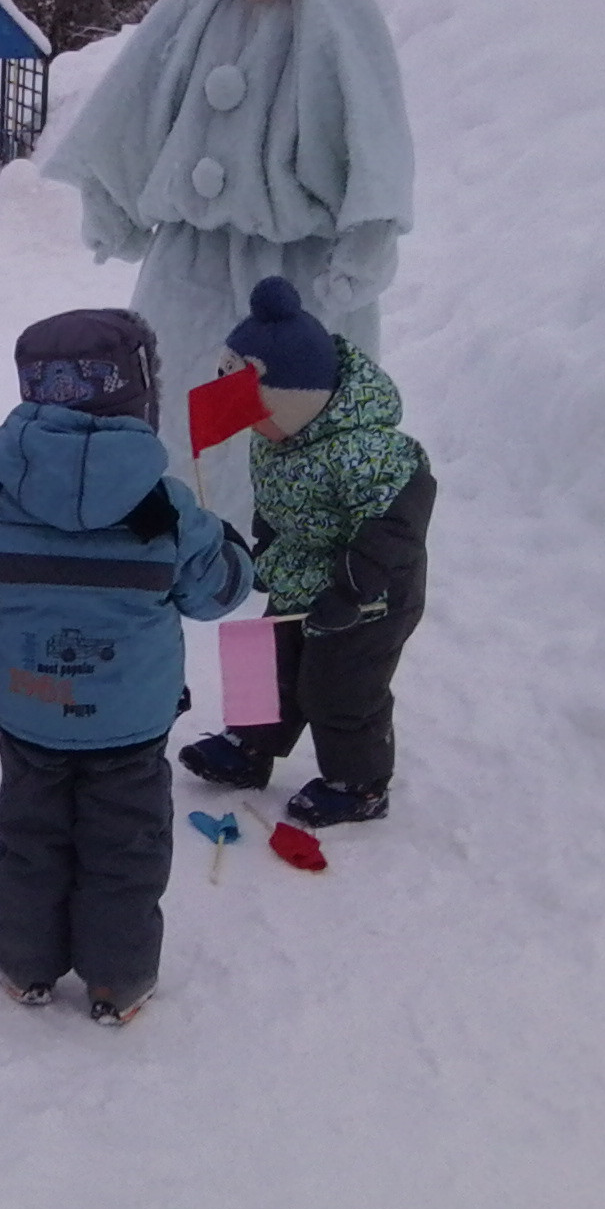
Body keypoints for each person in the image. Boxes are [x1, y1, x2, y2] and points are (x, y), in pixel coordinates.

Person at [0, 309, 253, 1024]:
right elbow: (217, 595)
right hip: (131, 724)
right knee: (127, 850)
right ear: (141, 397)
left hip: (30, 711)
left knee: (30, 841)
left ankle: (25, 965)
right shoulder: (167, 510)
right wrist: (230, 547)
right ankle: (118, 979)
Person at [43, 0, 415, 524]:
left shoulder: (334, 13)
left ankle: (286, 541)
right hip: (193, 258)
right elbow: (134, 99)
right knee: (177, 389)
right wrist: (111, 199)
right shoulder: (197, 2)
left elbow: (375, 136)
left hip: (295, 268)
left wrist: (360, 253)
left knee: (288, 406)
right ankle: (178, 527)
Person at [178, 277, 434, 826]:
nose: (253, 427)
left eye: (259, 414)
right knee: (261, 654)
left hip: (371, 591)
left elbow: (396, 525)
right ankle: (248, 746)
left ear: (300, 400)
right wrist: (267, 544)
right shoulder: (280, 436)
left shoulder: (367, 450)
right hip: (305, 572)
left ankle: (359, 782)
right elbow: (275, 498)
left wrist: (354, 586)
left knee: (338, 685)